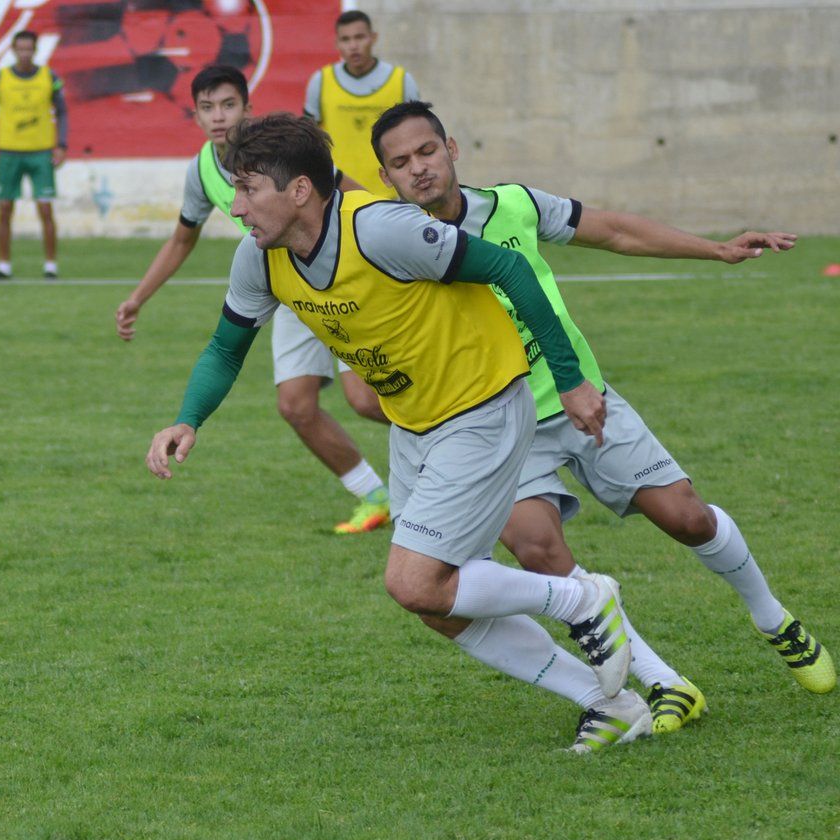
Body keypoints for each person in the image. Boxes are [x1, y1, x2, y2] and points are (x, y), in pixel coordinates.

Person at [147, 113, 653, 754]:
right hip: (414, 423)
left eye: (248, 190)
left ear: (299, 190)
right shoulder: (261, 258)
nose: (237, 206)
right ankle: (607, 703)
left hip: (484, 404)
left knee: (413, 582)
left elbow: (513, 272)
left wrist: (574, 380)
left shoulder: (380, 229)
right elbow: (225, 347)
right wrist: (187, 419)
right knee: (436, 605)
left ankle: (581, 599)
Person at [370, 100, 835, 729]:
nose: (418, 169)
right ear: (387, 179)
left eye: (426, 151)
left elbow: (614, 230)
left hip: (581, 397)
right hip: (492, 428)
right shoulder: (393, 250)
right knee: (538, 549)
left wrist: (716, 250)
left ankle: (772, 617)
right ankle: (665, 684)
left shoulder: (515, 205)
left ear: (452, 148)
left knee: (687, 518)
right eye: (400, 163)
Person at [117, 65, 392, 536]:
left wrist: (384, 242)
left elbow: (350, 197)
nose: (218, 116)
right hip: (285, 290)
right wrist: (138, 298)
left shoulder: (283, 154)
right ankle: (375, 495)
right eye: (207, 107)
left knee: (365, 399)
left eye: (228, 104)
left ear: (248, 106)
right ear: (196, 115)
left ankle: (455, 431)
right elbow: (182, 241)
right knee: (295, 407)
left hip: (343, 283)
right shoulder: (203, 171)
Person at [0, 30, 68, 280]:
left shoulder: (48, 77)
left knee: (45, 208)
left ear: (35, 50)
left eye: (29, 49)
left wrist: (61, 144)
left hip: (41, 152)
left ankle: (51, 266)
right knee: (4, 208)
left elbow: (62, 111)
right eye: (21, 49)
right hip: (8, 152)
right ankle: (3, 266)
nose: (25, 53)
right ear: (13, 50)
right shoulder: (0, 77)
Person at [304, 10, 420, 201]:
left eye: (359, 37)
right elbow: (308, 143)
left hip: (393, 197)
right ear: (337, 43)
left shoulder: (401, 81)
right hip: (337, 196)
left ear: (373, 38)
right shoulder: (321, 81)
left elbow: (417, 136)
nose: (353, 46)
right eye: (346, 39)